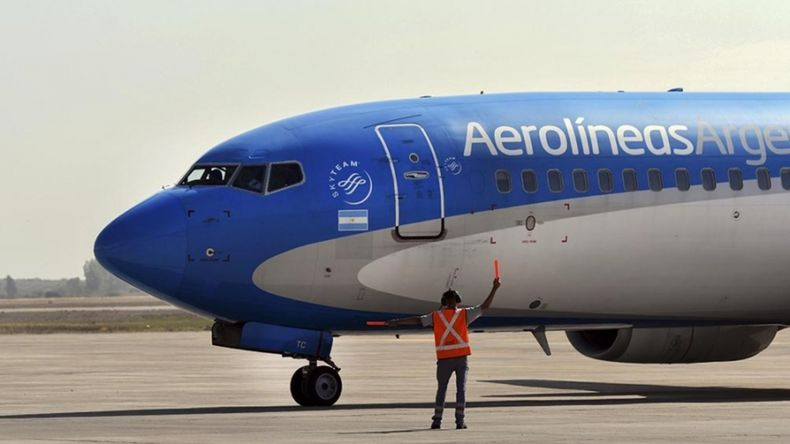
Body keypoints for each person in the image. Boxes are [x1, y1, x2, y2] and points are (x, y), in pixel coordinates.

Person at [387, 277, 501, 430]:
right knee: (461, 390)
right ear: (458, 300)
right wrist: (494, 288)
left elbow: (417, 320)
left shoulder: (436, 316)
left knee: (442, 390)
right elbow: (485, 306)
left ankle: (437, 421)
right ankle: (459, 421)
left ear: (444, 302)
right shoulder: (464, 314)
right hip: (461, 359)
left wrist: (397, 322)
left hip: (444, 360)